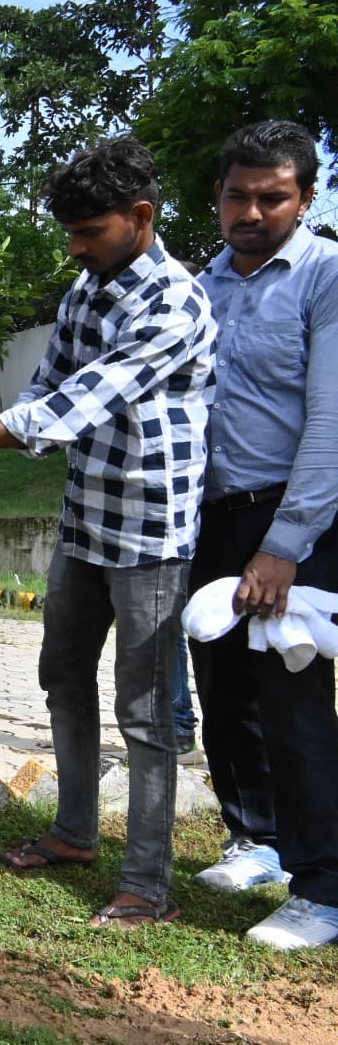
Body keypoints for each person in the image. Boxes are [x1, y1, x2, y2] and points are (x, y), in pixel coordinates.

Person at [0, 138, 217, 929]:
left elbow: (71, 410)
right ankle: (73, 833)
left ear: (141, 217)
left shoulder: (173, 302)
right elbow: (44, 386)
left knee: (144, 711)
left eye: (89, 230)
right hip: (85, 519)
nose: (74, 246)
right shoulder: (85, 287)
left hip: (152, 530)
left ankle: (148, 882)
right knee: (61, 676)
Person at [189, 120, 338, 949]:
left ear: (305, 198)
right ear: (217, 197)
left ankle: (324, 887)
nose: (252, 210)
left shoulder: (327, 274)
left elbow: (331, 418)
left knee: (293, 696)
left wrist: (285, 543)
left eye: (272, 196)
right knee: (224, 691)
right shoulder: (199, 286)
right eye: (237, 195)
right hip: (214, 515)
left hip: (300, 518)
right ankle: (259, 840)